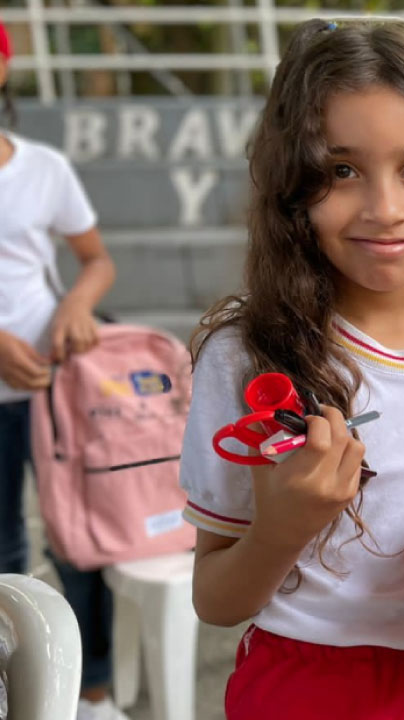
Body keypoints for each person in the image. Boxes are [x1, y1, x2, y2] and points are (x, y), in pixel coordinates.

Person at [177, 19, 404, 719]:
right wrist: (281, 529)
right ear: (295, 191)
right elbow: (214, 601)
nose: (384, 210)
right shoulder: (245, 357)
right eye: (342, 171)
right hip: (304, 687)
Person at [0, 19, 123, 720]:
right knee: (4, 547)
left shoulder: (42, 169)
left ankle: (94, 692)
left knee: (81, 537)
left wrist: (77, 305)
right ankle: (20, 694)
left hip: (54, 387)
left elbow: (96, 258)